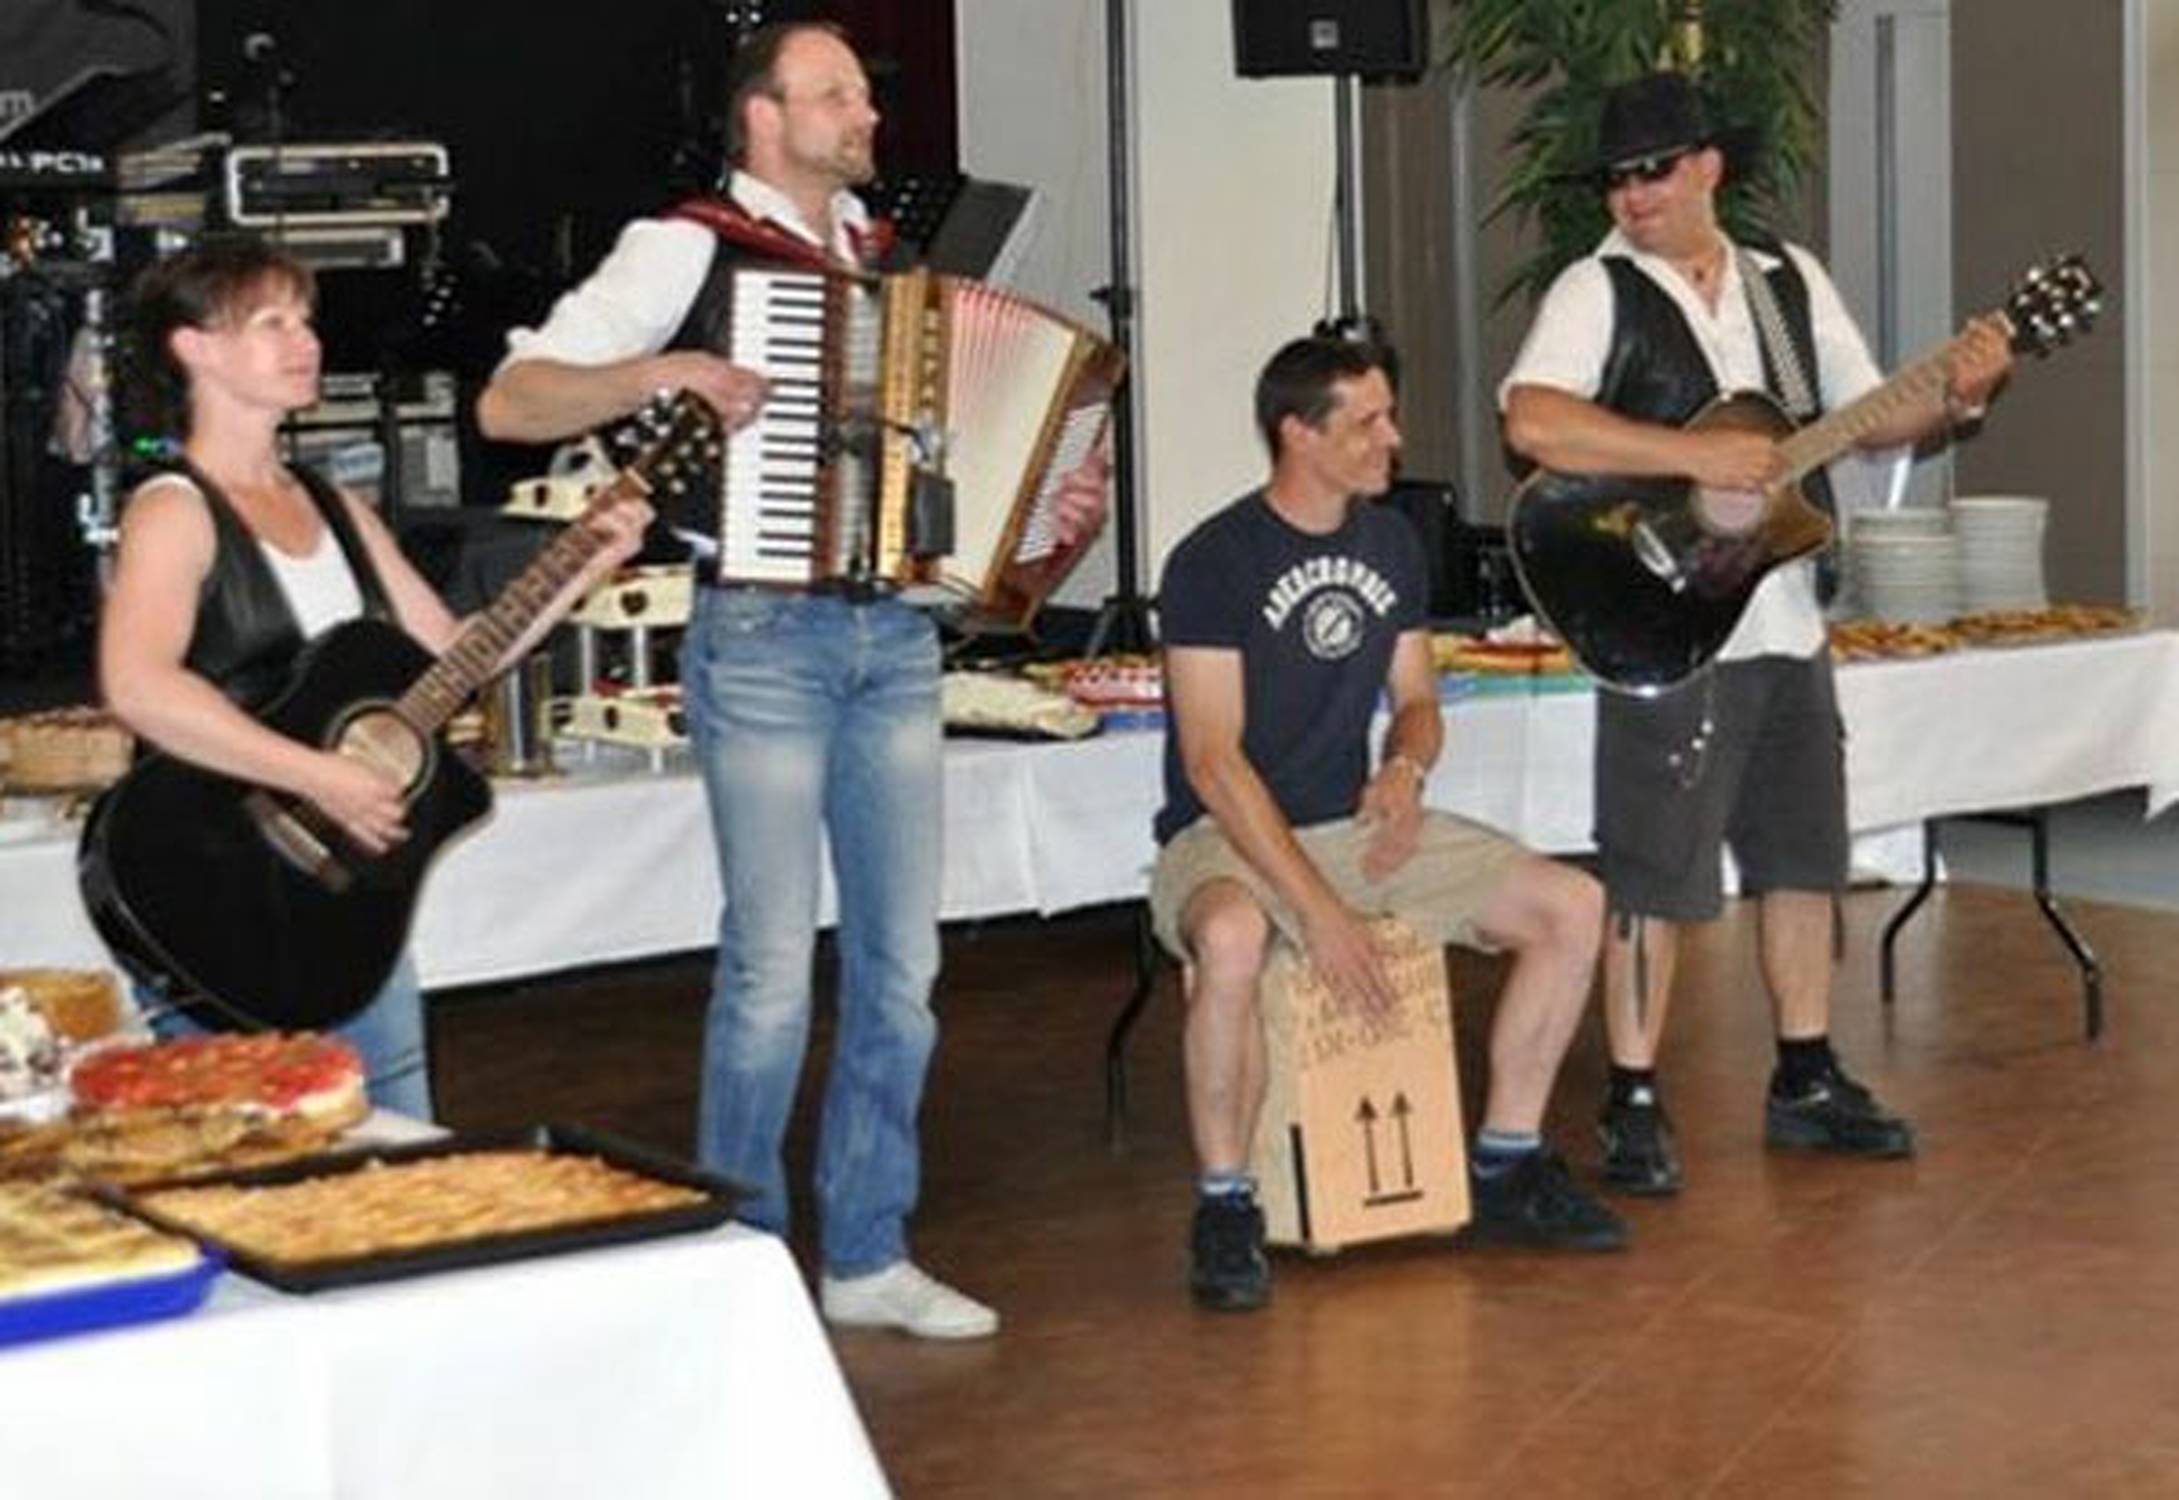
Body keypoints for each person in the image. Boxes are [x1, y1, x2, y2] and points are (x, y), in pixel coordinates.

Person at [478, 20, 1105, 1340]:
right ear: (762, 116)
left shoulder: (887, 266)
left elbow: (942, 476)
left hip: (895, 641)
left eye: (865, 95)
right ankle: (741, 1259)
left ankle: (866, 1252)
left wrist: (1041, 507)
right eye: (835, 94)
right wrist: (666, 370)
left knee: (902, 970)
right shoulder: (685, 247)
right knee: (769, 969)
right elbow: (511, 402)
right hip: (760, 637)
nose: (864, 114)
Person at [1499, 72, 2013, 1196]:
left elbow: (1873, 415)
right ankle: (1633, 1094)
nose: (1632, 196)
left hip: (1782, 615)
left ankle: (1806, 1072)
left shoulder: (1788, 281)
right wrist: (1692, 457)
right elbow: (1532, 420)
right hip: (1664, 620)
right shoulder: (1596, 289)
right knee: (1651, 871)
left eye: (1653, 172)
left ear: (1707, 168)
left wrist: (1960, 395)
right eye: (1616, 179)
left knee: (1802, 858)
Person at [101, 236, 649, 1119]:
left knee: (394, 1139)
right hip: (215, 889)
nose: (305, 341)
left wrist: (582, 563)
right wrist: (320, 776)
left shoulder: (335, 506)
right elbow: (139, 688)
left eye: (305, 320)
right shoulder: (174, 510)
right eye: (271, 323)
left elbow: (454, 654)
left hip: (344, 898)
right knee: (241, 1152)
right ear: (193, 347)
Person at [1152, 336, 1626, 1313]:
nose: (1392, 438)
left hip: (1357, 831)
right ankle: (1225, 1203)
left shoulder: (1392, 543)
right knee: (1232, 939)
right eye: (1367, 422)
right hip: (1225, 837)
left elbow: (1416, 700)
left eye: (1389, 416)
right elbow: (1211, 761)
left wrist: (1404, 771)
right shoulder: (1213, 559)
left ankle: (1505, 1162)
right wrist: (1319, 911)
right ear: (1298, 433)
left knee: (1572, 907)